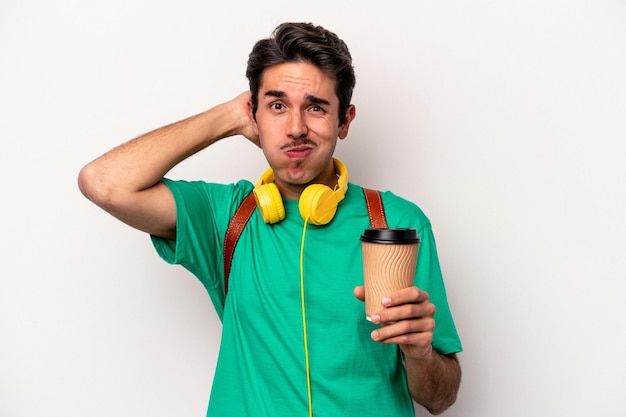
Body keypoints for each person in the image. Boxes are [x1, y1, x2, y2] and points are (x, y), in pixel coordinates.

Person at [78, 22, 462, 416]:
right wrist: (227, 116)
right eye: (277, 106)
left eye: (316, 107)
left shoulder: (397, 223)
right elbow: (103, 182)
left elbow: (441, 397)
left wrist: (420, 354)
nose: (295, 129)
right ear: (254, 115)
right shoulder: (225, 216)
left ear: (344, 121)